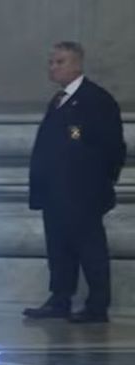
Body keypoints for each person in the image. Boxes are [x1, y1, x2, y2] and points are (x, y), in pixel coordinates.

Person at [23, 41, 127, 324]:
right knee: (59, 247)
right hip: (56, 192)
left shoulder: (96, 100)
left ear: (78, 64)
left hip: (83, 193)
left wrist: (99, 185)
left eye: (60, 62)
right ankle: (60, 298)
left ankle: (97, 305)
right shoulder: (59, 100)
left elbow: (112, 148)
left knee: (90, 248)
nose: (54, 67)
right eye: (52, 62)